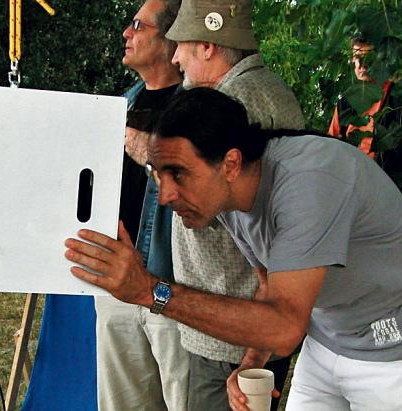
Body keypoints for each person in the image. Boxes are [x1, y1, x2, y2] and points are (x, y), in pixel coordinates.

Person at [64, 87, 402, 411]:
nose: (165, 194)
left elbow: (284, 328)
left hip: (397, 342)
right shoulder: (227, 195)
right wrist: (251, 362)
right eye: (157, 173)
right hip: (330, 334)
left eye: (178, 173)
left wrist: (150, 291)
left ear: (230, 163)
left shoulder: (309, 183)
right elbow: (268, 284)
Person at [121, 1, 304, 409]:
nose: (176, 58)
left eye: (183, 46)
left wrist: (138, 146)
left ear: (207, 47)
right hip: (242, 327)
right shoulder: (263, 90)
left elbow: (204, 194)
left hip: (230, 334)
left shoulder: (234, 102)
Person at [95, 1, 190, 410]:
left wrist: (147, 152)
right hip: (116, 283)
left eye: (138, 25)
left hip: (173, 289)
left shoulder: (198, 108)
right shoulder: (120, 105)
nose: (126, 33)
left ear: (170, 40)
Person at [328, 36, 402, 205]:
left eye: (368, 58)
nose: (361, 65)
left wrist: (399, 186)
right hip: (352, 195)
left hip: (389, 198)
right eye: (357, 57)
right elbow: (332, 150)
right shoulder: (345, 102)